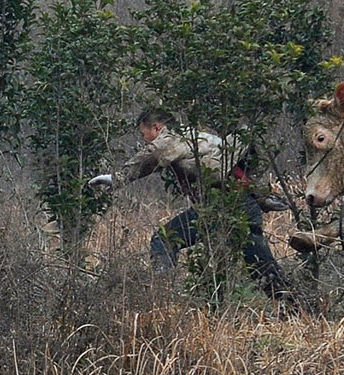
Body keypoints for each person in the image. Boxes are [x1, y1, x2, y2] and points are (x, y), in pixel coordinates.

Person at [88, 108, 291, 299]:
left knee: (165, 239)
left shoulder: (173, 139)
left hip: (224, 205)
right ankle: (291, 305)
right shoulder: (199, 139)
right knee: (260, 265)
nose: (144, 140)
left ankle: (163, 296)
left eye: (144, 134)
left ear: (157, 128)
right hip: (242, 204)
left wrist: (117, 178)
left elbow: (152, 155)